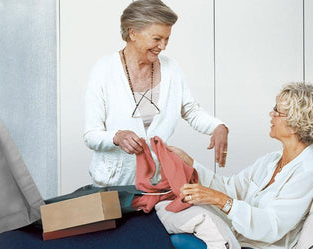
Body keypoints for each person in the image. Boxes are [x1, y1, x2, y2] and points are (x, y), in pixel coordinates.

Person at [167, 82, 313, 249]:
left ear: (296, 122)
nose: (270, 115)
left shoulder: (309, 172)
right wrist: (190, 162)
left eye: (277, 111)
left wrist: (219, 199)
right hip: (240, 244)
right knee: (167, 234)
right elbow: (231, 187)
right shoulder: (271, 160)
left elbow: (272, 226)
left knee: (175, 244)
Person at [83, 0, 228, 187]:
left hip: (156, 184)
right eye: (157, 39)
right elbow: (91, 135)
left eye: (167, 39)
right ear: (133, 33)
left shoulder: (171, 69)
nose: (163, 46)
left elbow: (190, 110)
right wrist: (117, 137)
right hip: (112, 187)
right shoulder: (103, 71)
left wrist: (217, 126)